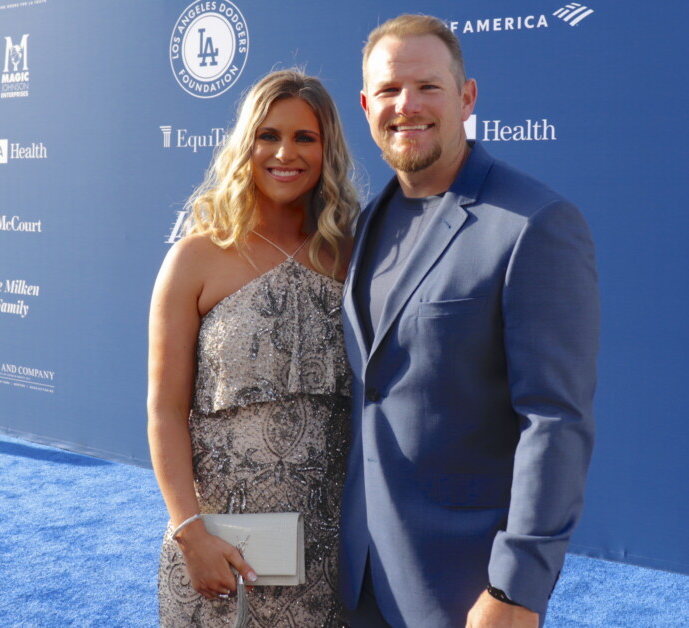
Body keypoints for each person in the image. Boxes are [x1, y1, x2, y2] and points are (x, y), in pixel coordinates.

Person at [338, 14, 599, 628]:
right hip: (361, 574)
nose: (408, 106)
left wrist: (516, 589)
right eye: (389, 91)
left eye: (428, 86)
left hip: (466, 588)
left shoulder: (535, 224)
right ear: (365, 104)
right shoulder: (364, 224)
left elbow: (555, 420)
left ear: (467, 96)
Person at [147, 69, 359, 627]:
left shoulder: (353, 255)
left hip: (332, 547)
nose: (284, 152)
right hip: (219, 548)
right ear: (246, 144)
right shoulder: (196, 257)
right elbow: (165, 409)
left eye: (304, 138)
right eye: (268, 135)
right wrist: (190, 532)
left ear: (327, 150)